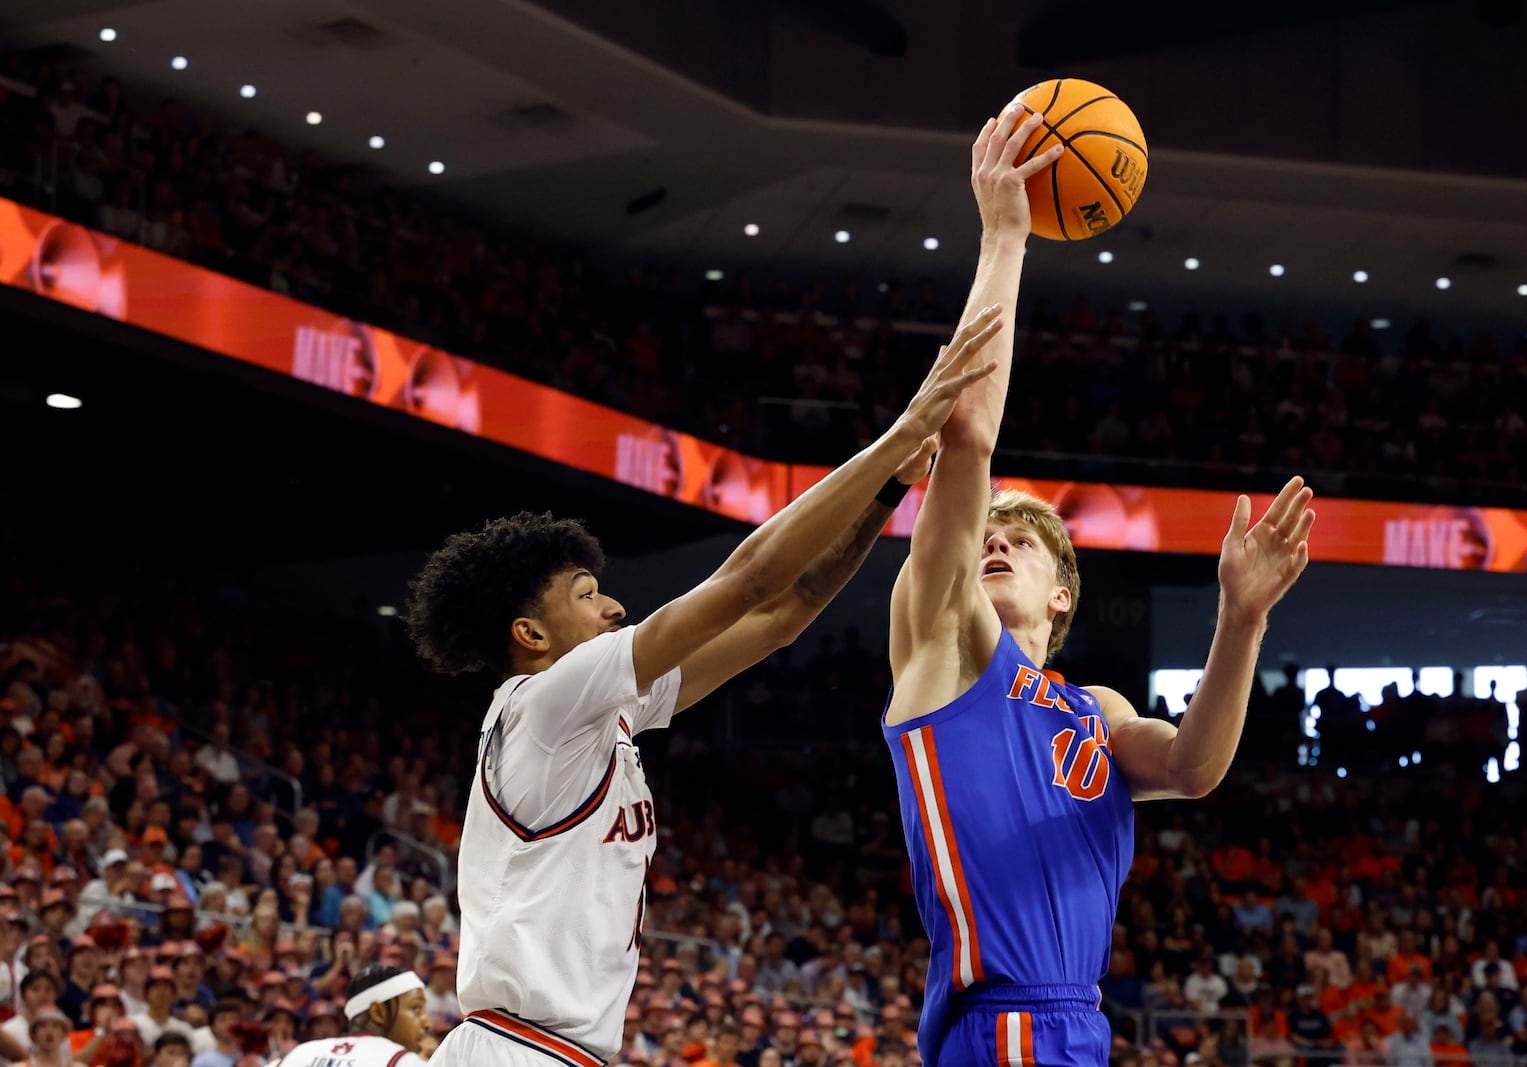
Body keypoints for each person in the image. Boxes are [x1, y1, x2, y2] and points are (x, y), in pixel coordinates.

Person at [408, 314, 1005, 1067]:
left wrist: (889, 491)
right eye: (588, 593)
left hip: (548, 1050)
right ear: (531, 634)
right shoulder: (548, 701)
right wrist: (897, 434)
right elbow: (748, 577)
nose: (614, 606)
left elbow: (785, 611)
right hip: (517, 1050)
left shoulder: (599, 714)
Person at [881, 101, 1316, 1067]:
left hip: (1078, 1025)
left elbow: (1196, 769)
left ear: (1065, 593)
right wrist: (1005, 236)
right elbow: (968, 436)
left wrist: (1241, 619)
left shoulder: (1096, 710)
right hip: (1001, 1022)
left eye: (1021, 540)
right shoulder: (942, 645)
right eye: (984, 532)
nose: (993, 542)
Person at [266, 965, 427, 1067]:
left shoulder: (299, 1053)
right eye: (416, 1009)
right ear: (378, 1012)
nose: (427, 1023)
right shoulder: (404, 1061)